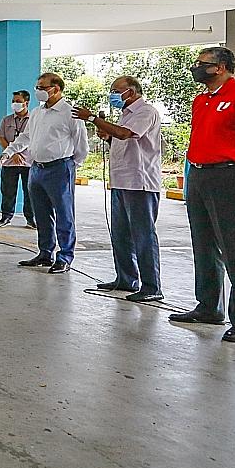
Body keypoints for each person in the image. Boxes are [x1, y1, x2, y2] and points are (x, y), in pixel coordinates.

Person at [169, 47, 235, 343]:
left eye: (202, 64)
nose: (196, 68)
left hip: (232, 176)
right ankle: (209, 307)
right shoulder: (201, 100)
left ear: (221, 67)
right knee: (204, 245)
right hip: (200, 175)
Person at [74, 77, 164, 303]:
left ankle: (152, 286)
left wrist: (93, 118)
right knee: (121, 234)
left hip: (139, 183)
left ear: (131, 92)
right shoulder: (125, 115)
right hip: (120, 181)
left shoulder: (146, 111)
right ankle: (126, 278)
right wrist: (106, 135)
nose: (112, 95)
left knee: (143, 236)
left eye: (116, 91)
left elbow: (125, 134)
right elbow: (120, 140)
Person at [5, 73, 89, 275]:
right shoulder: (36, 112)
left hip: (59, 169)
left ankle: (65, 256)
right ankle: (45, 253)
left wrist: (69, 165)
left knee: (64, 214)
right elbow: (27, 136)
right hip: (36, 169)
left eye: (42, 87)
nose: (38, 91)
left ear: (56, 89)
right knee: (41, 214)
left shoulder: (71, 113)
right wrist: (9, 151)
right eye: (37, 87)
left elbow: (81, 146)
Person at [0, 91, 36, 228]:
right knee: (7, 191)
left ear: (26, 102)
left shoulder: (34, 120)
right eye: (14, 101)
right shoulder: (6, 120)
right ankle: (6, 217)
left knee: (30, 192)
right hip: (9, 162)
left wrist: (19, 152)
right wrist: (12, 153)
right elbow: (1, 137)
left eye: (18, 101)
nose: (15, 104)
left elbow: (33, 139)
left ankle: (31, 219)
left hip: (29, 162)